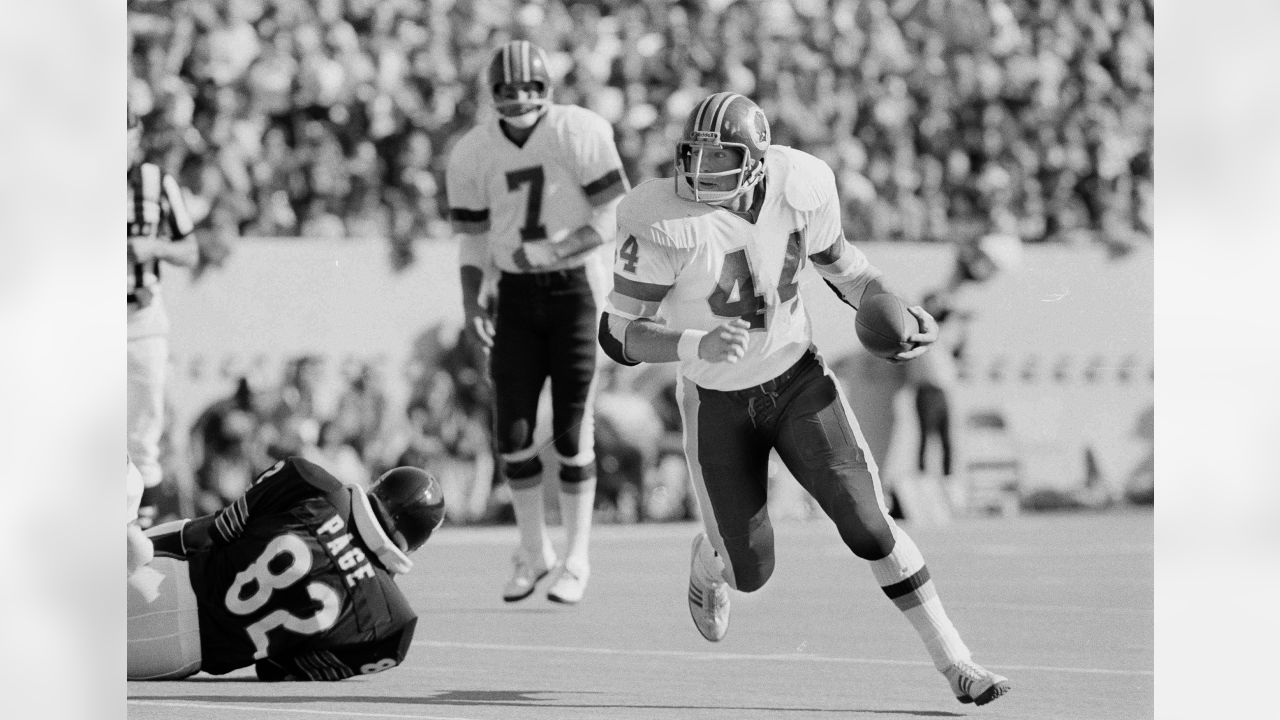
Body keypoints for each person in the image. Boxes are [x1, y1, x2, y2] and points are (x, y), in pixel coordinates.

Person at [597, 92, 1011, 706]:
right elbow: (616, 331)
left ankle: (958, 662)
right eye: (696, 157)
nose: (701, 174)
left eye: (722, 160)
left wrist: (898, 309)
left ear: (759, 163)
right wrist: (694, 343)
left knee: (869, 524)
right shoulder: (657, 216)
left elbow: (850, 273)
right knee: (751, 573)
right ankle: (712, 556)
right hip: (716, 401)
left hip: (797, 380)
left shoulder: (804, 183)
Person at [445, 40, 630, 605]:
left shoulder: (577, 130)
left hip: (575, 289)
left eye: (527, 87)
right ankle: (534, 550)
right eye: (506, 89)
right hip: (516, 297)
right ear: (492, 94)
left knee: (573, 433)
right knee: (515, 435)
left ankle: (577, 557)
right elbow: (472, 240)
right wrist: (473, 302)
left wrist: (556, 251)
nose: (518, 97)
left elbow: (612, 214)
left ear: (547, 88)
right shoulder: (472, 152)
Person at [126, 457, 445, 681]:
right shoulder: (393, 626)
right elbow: (276, 669)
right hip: (178, 656)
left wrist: (142, 547)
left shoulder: (310, 481)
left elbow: (209, 533)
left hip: (162, 582)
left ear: (378, 486)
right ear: (416, 543)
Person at [128, 104, 198, 525]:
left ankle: (143, 533)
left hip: (140, 319)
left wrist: (153, 248)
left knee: (143, 435)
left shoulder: (156, 182)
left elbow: (190, 250)